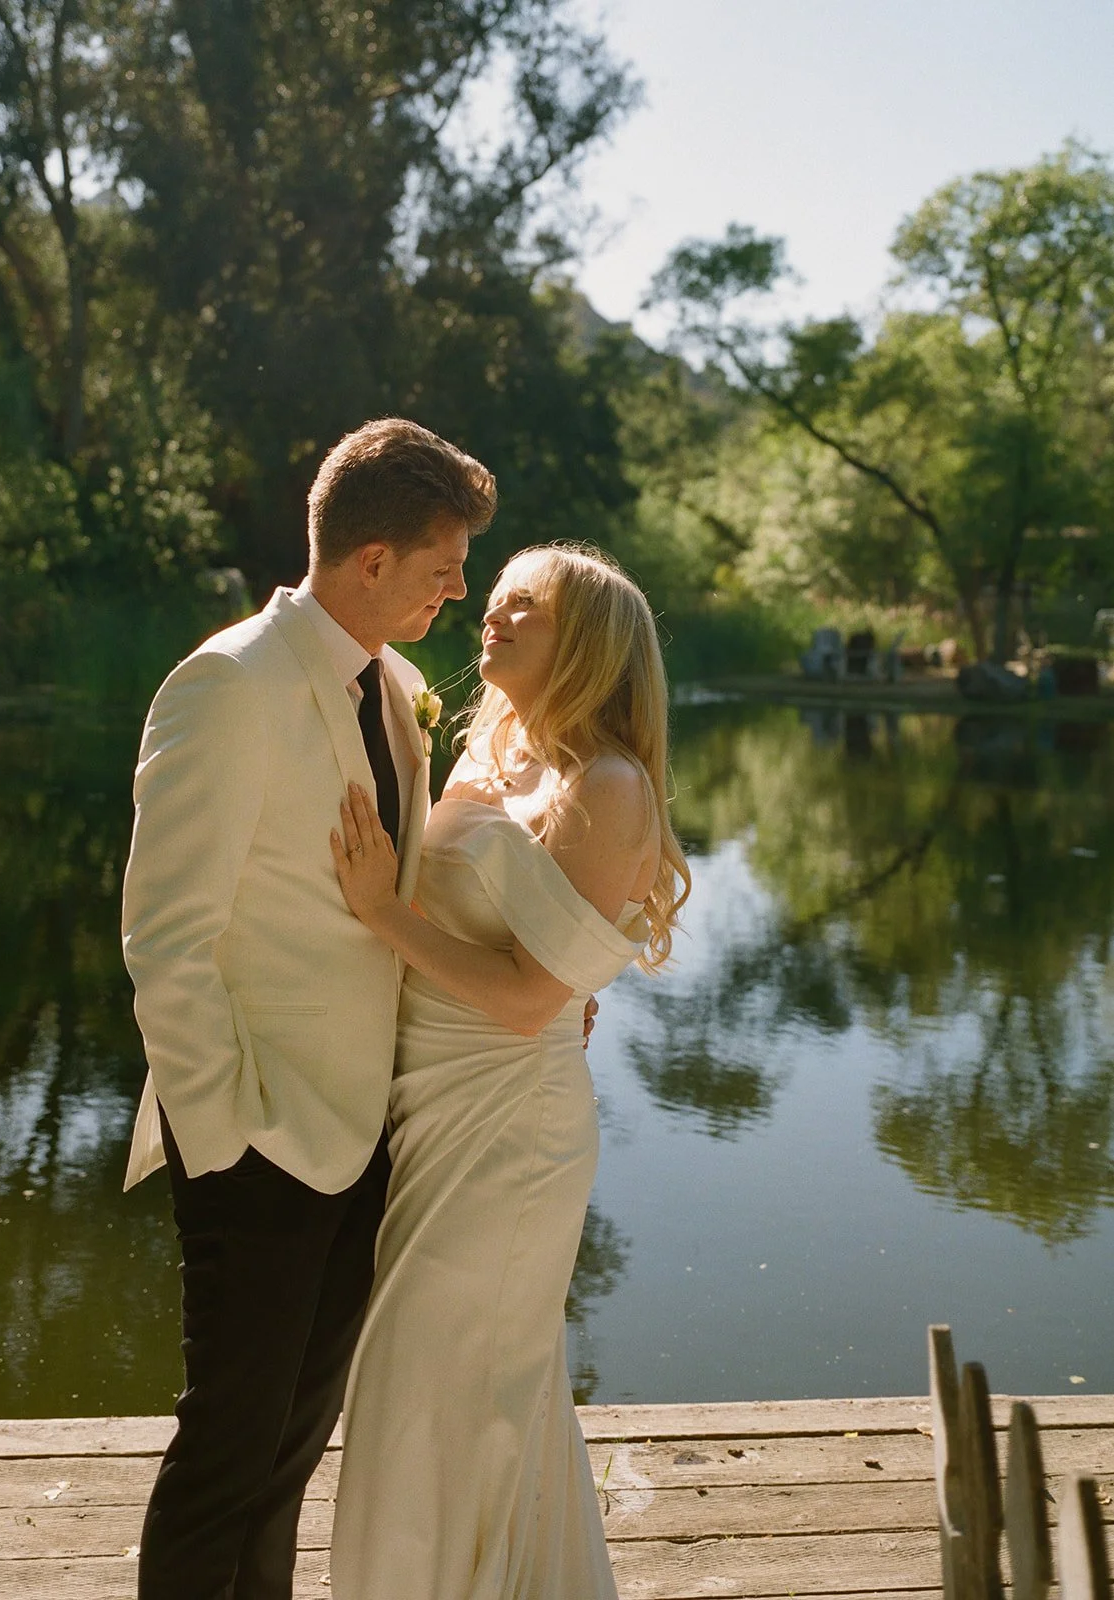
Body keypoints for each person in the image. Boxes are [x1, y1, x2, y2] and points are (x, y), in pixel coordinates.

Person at [120, 416, 497, 1600]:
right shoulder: (226, 685)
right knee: (227, 1451)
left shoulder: (391, 687)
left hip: (361, 1132)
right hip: (257, 1135)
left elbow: (398, 895)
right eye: (442, 566)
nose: (457, 589)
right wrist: (226, 1128)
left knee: (288, 1457)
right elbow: (165, 941)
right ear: (370, 561)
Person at [327, 543, 691, 1600]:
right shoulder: (489, 751)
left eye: (522, 607)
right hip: (427, 1103)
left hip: (509, 1125)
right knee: (436, 1387)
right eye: (492, 602)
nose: (490, 618)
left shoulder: (608, 783)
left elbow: (535, 995)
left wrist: (381, 913)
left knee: (445, 1381)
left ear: (587, 641)